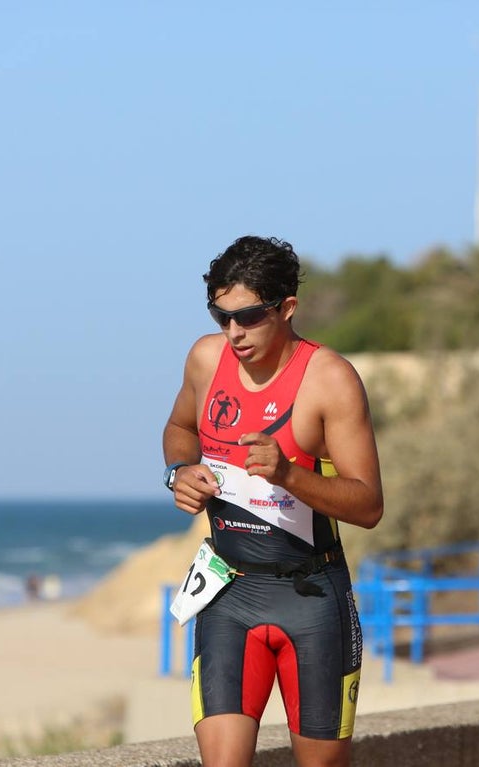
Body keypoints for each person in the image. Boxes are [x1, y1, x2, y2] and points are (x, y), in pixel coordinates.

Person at [162, 235, 384, 767]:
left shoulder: (329, 380)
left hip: (311, 599)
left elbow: (368, 504)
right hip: (228, 592)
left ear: (286, 308)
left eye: (249, 317)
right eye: (222, 317)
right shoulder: (205, 359)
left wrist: (288, 473)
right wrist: (179, 472)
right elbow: (178, 427)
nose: (234, 333)